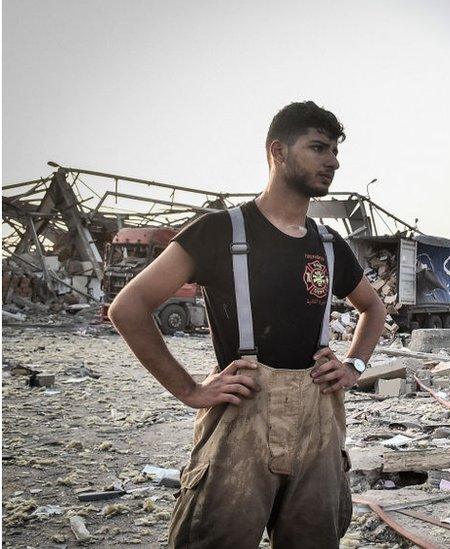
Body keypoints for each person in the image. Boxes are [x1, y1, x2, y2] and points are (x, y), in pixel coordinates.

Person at [109, 101, 386, 548]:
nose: (332, 161)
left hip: (319, 420)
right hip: (242, 418)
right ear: (277, 151)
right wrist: (189, 390)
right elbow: (128, 308)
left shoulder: (330, 244)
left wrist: (353, 364)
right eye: (318, 147)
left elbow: (373, 309)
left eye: (335, 151)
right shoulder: (219, 231)